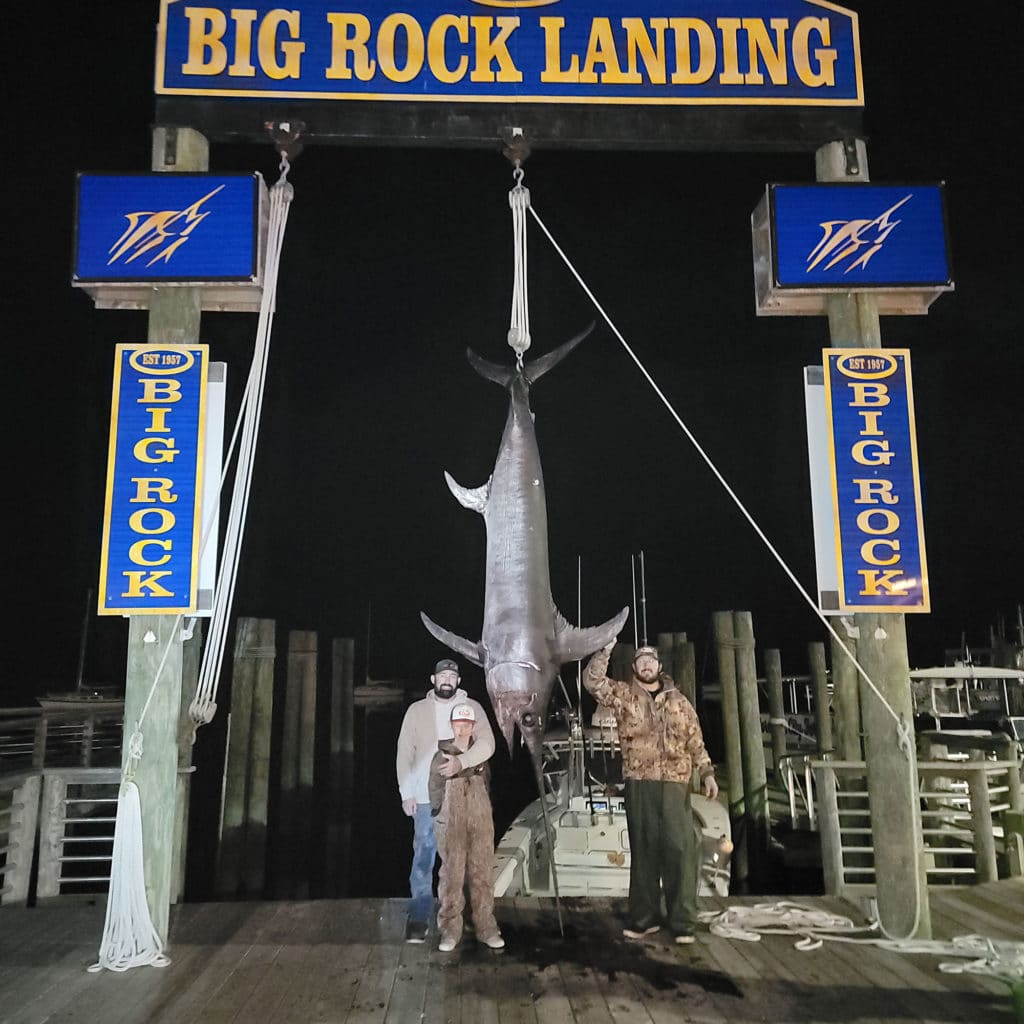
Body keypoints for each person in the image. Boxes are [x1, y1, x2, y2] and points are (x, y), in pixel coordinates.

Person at [584, 641, 719, 945]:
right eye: (641, 660)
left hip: (675, 782)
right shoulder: (623, 695)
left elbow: (695, 739)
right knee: (644, 851)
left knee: (680, 850)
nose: (646, 665)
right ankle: (644, 919)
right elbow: (592, 682)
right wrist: (605, 649)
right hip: (639, 782)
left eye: (651, 660)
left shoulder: (679, 701)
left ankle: (682, 921)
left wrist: (707, 773)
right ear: (634, 668)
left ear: (660, 667)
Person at [396, 658, 494, 943]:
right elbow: (405, 752)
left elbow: (488, 744)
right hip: (425, 799)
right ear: (433, 680)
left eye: (453, 675)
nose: (447, 680)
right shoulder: (416, 711)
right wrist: (407, 793)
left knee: (463, 860)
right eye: (443, 676)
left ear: (459, 681)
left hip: (462, 796)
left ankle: (464, 920)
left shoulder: (472, 708)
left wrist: (461, 763)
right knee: (424, 856)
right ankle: (419, 916)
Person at [429, 703, 505, 952]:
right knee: (451, 873)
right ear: (452, 725)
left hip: (480, 817)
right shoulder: (442, 752)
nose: (462, 728)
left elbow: (488, 776)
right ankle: (450, 928)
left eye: (467, 723)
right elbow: (435, 786)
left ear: (473, 726)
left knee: (482, 871)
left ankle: (486, 925)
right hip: (451, 818)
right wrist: (438, 814)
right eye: (458, 723)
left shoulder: (480, 751)